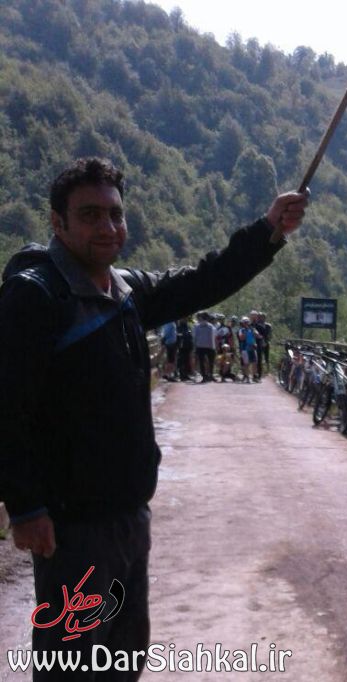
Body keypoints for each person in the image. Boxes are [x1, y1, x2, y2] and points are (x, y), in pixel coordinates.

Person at [0, 156, 307, 680]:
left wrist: (268, 231)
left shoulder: (123, 291)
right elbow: (7, 406)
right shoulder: (37, 295)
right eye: (90, 215)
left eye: (115, 214)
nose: (108, 226)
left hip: (128, 516)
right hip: (72, 528)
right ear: (58, 222)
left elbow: (203, 281)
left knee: (124, 658)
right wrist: (26, 507)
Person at [193, 311, 217, 382]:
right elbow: (195, 337)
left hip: (205, 347)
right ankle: (207, 376)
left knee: (207, 362)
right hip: (205, 347)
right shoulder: (199, 326)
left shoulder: (209, 327)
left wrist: (195, 346)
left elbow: (195, 337)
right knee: (206, 362)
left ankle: (208, 376)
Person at [237, 316, 258, 383]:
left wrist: (254, 333)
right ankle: (247, 378)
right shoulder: (241, 330)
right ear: (242, 323)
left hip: (252, 347)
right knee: (247, 364)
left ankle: (254, 377)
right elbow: (241, 338)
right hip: (245, 348)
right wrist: (246, 333)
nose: (246, 323)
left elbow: (256, 335)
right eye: (245, 322)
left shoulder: (251, 329)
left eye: (247, 322)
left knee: (255, 362)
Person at [176, 316, 194, 381]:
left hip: (188, 346)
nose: (185, 319)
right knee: (181, 361)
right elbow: (178, 335)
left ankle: (186, 375)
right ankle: (182, 375)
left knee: (187, 361)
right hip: (181, 347)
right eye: (183, 318)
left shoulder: (188, 326)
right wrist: (183, 335)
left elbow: (190, 335)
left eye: (185, 318)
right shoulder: (178, 327)